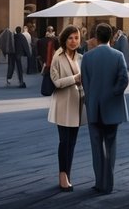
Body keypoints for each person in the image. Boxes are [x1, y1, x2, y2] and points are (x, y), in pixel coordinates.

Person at [80, 22, 129, 195]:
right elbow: (124, 80)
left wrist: (93, 97)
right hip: (112, 108)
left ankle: (99, 182)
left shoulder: (87, 57)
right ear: (111, 36)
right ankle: (108, 184)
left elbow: (85, 83)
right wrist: (113, 94)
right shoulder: (118, 55)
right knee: (110, 146)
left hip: (93, 106)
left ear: (95, 36)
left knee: (96, 147)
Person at [48, 25, 85, 192]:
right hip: (63, 104)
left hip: (77, 104)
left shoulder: (81, 57)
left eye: (76, 38)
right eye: (70, 38)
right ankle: (63, 175)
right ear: (64, 39)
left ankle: (67, 173)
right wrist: (75, 78)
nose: (73, 41)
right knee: (64, 141)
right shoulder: (58, 56)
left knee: (72, 142)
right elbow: (56, 82)